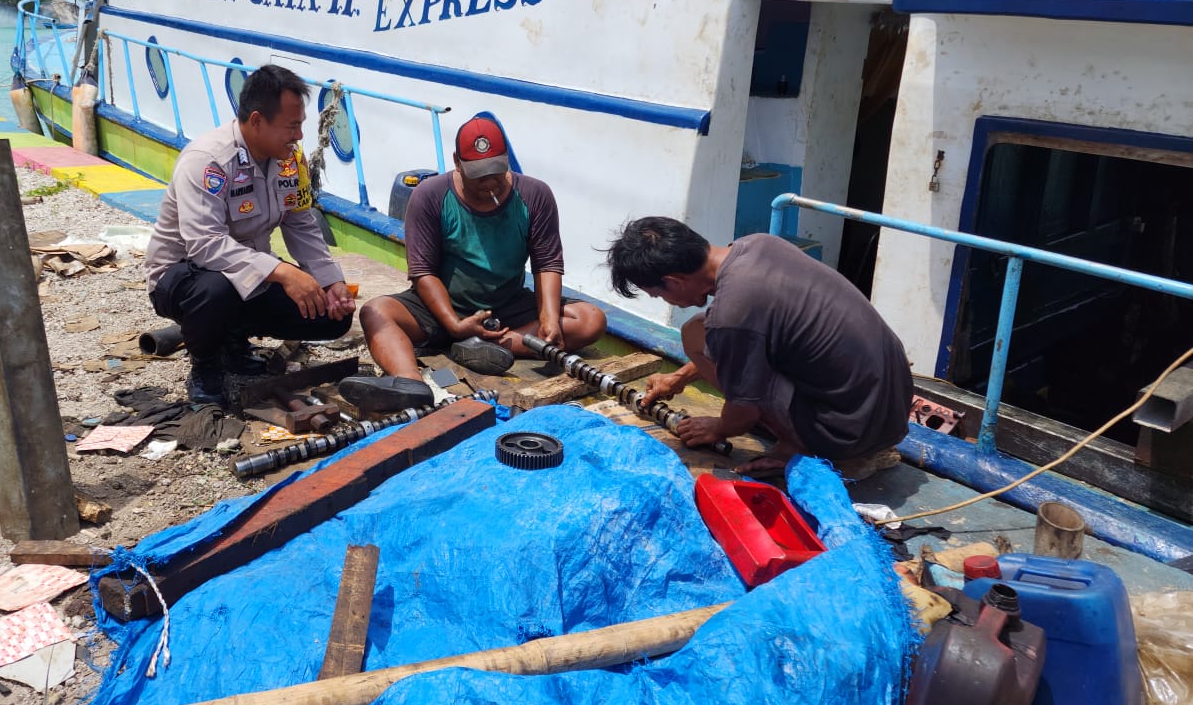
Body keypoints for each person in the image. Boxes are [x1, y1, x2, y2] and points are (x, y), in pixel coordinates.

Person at [605, 217, 912, 475]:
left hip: (847, 433)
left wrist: (719, 428)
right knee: (698, 330)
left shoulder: (733, 314)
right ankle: (813, 433)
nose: (664, 301)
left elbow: (745, 412)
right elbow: (739, 340)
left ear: (673, 281)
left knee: (698, 337)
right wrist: (678, 378)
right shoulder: (759, 244)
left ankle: (799, 445)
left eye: (658, 295)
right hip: (890, 412)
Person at [341, 115, 607, 411]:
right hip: (442, 308)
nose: (489, 182)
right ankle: (410, 383)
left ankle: (488, 347)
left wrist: (547, 319)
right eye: (478, 174)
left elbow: (547, 263)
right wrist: (454, 324)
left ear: (506, 159)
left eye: (496, 171)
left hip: (506, 306)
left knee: (590, 320)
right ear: (457, 162)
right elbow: (423, 272)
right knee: (376, 312)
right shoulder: (429, 196)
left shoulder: (535, 195)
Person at [144, 64, 355, 406]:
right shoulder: (207, 161)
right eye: (291, 127)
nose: (299, 137)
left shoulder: (289, 160)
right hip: (185, 278)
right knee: (217, 290)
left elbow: (300, 222)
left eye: (300, 126)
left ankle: (233, 339)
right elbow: (204, 245)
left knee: (334, 316)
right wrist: (285, 272)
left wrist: (330, 281)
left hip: (252, 275)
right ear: (257, 121)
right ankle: (206, 367)